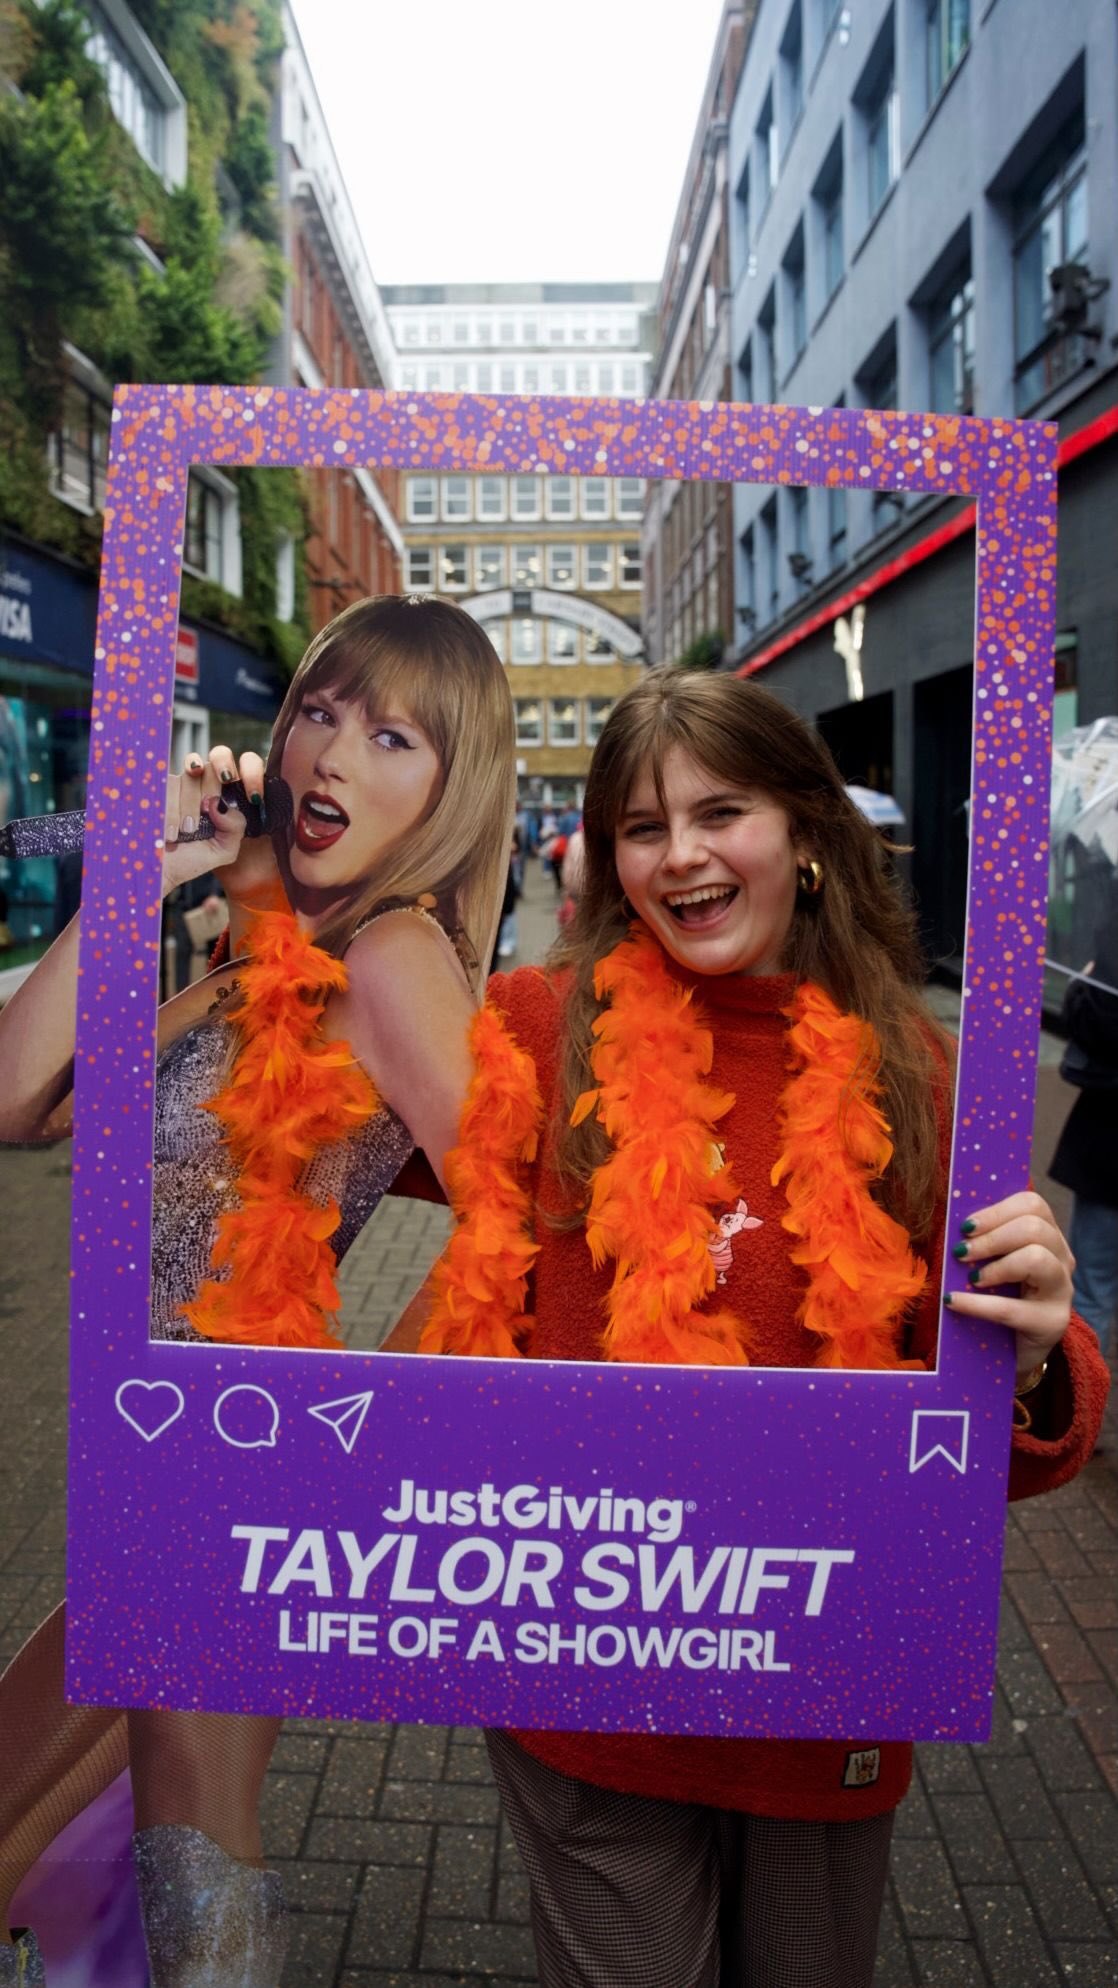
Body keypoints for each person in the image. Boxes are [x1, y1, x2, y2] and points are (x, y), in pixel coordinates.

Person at [417, 667, 1110, 1988]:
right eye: (638, 825)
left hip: (819, 1684)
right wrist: (250, 870)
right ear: (607, 857)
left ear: (801, 828)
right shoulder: (532, 1032)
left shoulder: (920, 1069)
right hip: (587, 1689)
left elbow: (1027, 1443)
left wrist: (1028, 1354)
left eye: (718, 811)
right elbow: (253, 1149)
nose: (678, 857)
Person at [0, 595, 514, 1986]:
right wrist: (149, 867)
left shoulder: (397, 957)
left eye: (391, 731)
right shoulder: (270, 958)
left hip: (234, 1469)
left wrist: (360, 1442)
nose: (331, 753)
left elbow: (521, 1226)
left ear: (450, 785)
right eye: (321, 711)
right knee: (127, 1841)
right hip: (163, 1464)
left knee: (178, 1849)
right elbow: (18, 1093)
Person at [1049, 885, 1118, 1358]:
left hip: (1109, 1147)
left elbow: (1092, 1018)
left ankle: (1081, 1412)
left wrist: (1081, 985)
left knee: (1090, 1287)